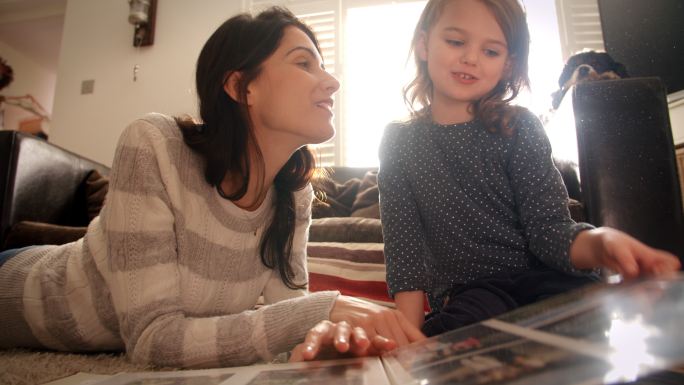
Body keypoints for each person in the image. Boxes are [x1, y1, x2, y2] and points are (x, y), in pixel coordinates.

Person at [0, 7, 423, 368]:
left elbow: (285, 309)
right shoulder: (155, 143)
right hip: (20, 284)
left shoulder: (293, 194)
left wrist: (321, 336)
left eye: (323, 66)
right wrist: (319, 309)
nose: (331, 81)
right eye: (303, 63)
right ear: (241, 87)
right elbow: (152, 341)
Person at [377, 0, 681, 337]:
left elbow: (550, 230)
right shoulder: (398, 140)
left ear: (508, 65)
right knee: (448, 340)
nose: (471, 58)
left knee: (603, 323)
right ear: (423, 44)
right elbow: (405, 254)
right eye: (456, 42)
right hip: (473, 295)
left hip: (548, 279)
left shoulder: (519, 126)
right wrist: (407, 337)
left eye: (491, 51)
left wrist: (602, 242)